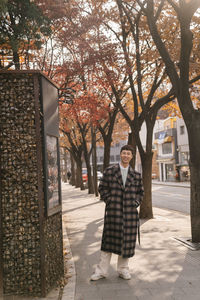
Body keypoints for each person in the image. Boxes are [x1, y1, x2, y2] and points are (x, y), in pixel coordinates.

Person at [90, 144, 144, 281]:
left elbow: (140, 193)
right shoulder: (110, 171)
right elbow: (102, 188)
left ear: (131, 157)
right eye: (124, 153)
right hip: (113, 212)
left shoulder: (136, 175)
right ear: (120, 154)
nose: (126, 155)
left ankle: (123, 270)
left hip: (130, 214)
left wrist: (135, 203)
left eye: (128, 154)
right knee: (107, 243)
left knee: (126, 244)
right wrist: (110, 200)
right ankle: (101, 271)